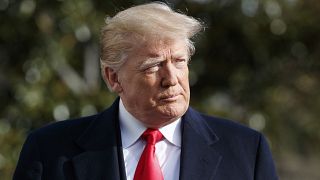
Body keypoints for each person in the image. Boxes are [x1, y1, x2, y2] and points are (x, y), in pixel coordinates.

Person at [13, 2, 278, 180]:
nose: (171, 79)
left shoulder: (246, 150)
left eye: (179, 61)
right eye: (153, 66)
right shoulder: (48, 151)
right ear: (113, 77)